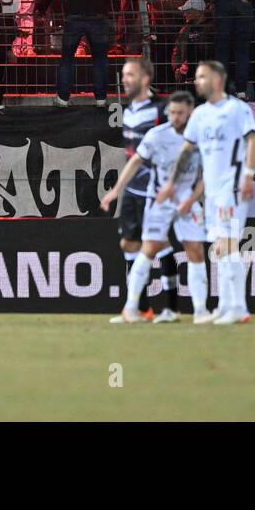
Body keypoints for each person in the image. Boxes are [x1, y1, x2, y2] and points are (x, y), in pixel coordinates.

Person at [164, 60, 255, 325]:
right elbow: (187, 149)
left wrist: (249, 175)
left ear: (217, 79)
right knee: (220, 247)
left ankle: (238, 307)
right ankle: (227, 305)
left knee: (228, 244)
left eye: (202, 76)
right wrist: (173, 182)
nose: (197, 81)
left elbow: (253, 139)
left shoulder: (236, 109)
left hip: (233, 186)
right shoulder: (201, 114)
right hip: (214, 192)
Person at [106, 92, 207, 324]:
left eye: (180, 113)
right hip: (159, 200)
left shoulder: (201, 139)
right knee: (148, 250)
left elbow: (206, 176)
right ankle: (131, 309)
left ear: (190, 112)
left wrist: (191, 200)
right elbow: (135, 161)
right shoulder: (156, 135)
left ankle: (199, 310)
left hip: (187, 201)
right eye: (171, 112)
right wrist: (116, 190)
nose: (175, 117)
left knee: (195, 251)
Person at [99, 58, 163, 320]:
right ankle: (143, 307)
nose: (124, 79)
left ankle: (137, 307)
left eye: (130, 75)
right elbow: (132, 156)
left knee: (157, 246)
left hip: (156, 190)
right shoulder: (130, 111)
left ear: (145, 79)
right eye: (123, 74)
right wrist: (117, 190)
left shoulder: (162, 110)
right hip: (133, 189)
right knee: (129, 243)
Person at [38, 0, 111, 106]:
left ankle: (63, 98)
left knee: (67, 58)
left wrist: (42, 7)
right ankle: (101, 98)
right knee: (100, 59)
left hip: (74, 16)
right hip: (97, 16)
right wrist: (104, 8)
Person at [190, 0, 255, 99]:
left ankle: (223, 91)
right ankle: (241, 91)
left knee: (222, 50)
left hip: (223, 6)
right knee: (242, 50)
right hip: (243, 6)